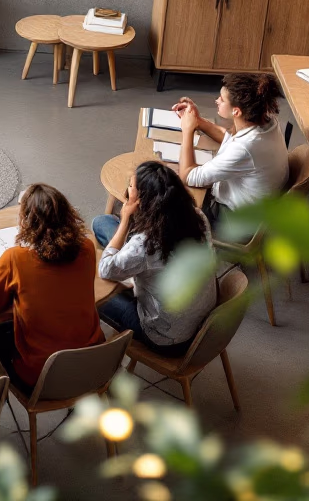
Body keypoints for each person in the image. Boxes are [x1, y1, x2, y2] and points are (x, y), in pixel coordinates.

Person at [0, 184, 104, 391]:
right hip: (91, 365)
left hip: (42, 378)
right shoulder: (87, 247)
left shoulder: (16, 258)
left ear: (26, 223)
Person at [91, 161, 217, 356]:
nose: (128, 188)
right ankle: (132, 274)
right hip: (198, 318)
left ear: (143, 199)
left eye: (131, 186)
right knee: (102, 223)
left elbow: (105, 269)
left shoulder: (146, 244)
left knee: (90, 292)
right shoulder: (197, 217)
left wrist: (125, 220)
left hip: (166, 336)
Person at [172, 72, 289, 222]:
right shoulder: (267, 122)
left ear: (236, 111)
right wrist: (198, 121)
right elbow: (231, 139)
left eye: (222, 99)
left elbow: (189, 176)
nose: (217, 101)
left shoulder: (246, 147)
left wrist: (187, 130)